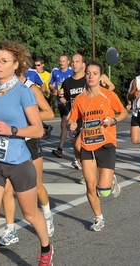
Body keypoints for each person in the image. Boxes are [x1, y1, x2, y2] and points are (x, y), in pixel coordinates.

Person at [0, 41, 53, 265]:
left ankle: (46, 248)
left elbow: (38, 129)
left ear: (16, 65)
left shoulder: (24, 92)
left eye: (3, 61)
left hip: (20, 162)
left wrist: (12, 130)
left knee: (30, 215)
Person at [0, 57, 56, 246]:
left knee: (37, 186)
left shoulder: (32, 88)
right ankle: (10, 229)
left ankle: (47, 215)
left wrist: (24, 117)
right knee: (7, 188)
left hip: (29, 141)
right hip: (9, 142)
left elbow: (49, 113)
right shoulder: (2, 88)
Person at [68, 60, 128, 231]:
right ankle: (98, 218)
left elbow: (124, 112)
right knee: (89, 184)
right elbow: (72, 119)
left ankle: (109, 182)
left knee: (103, 191)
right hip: (87, 146)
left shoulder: (108, 96)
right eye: (88, 73)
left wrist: (114, 120)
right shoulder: (80, 99)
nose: (91, 76)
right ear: (85, 75)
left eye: (95, 73)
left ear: (101, 76)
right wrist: (70, 125)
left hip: (106, 143)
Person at [58, 53, 87, 171]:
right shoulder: (67, 82)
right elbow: (65, 100)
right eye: (73, 62)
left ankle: (90, 171)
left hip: (87, 118)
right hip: (73, 119)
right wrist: (60, 97)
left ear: (83, 65)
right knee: (77, 150)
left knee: (79, 145)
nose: (74, 64)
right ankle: (85, 172)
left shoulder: (88, 80)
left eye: (77, 62)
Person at [49, 55, 74, 158]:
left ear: (67, 62)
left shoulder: (72, 71)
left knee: (65, 124)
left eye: (64, 61)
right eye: (60, 61)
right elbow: (50, 84)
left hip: (70, 102)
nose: (62, 63)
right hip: (60, 102)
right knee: (63, 125)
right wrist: (54, 90)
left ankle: (60, 148)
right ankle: (61, 148)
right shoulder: (55, 71)